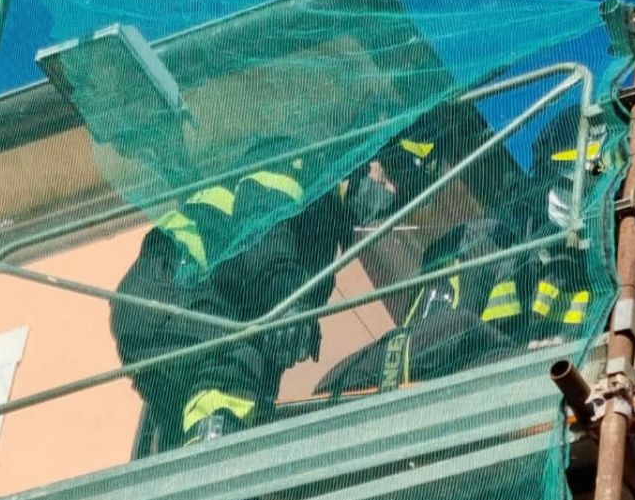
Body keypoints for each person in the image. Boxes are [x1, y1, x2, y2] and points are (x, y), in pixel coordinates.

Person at [318, 105, 635, 393]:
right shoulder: (481, 244)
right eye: (590, 184)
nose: (597, 203)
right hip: (472, 395)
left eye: (607, 190)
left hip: (559, 399)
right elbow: (433, 342)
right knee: (459, 327)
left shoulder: (607, 257)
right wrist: (531, 360)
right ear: (555, 176)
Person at [109, 133, 417, 448]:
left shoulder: (325, 228)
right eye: (387, 178)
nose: (390, 194)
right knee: (234, 365)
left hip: (170, 312)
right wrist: (289, 297)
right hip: (172, 282)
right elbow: (262, 228)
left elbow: (268, 331)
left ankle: (199, 460)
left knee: (227, 395)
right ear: (363, 163)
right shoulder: (304, 164)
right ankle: (217, 463)